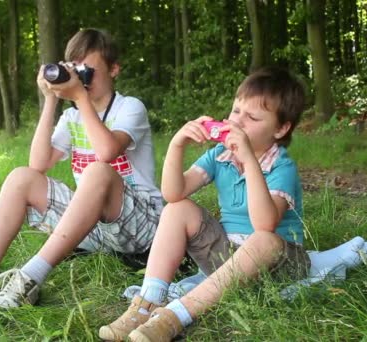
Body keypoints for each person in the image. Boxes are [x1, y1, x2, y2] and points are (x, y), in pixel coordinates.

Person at [0, 28, 162, 310]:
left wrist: (79, 97)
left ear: (114, 69)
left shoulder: (130, 107)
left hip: (144, 225)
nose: (81, 79)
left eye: (87, 71)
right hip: (93, 228)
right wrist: (52, 99)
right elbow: (38, 165)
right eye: (75, 70)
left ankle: (29, 278)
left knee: (98, 171)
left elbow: (106, 152)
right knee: (21, 177)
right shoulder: (71, 116)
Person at [99, 67, 309, 341]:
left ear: (281, 128)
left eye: (253, 117)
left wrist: (248, 160)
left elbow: (264, 224)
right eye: (236, 111)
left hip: (279, 263)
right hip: (227, 257)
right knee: (178, 209)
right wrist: (177, 144)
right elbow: (173, 193)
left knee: (265, 239)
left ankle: (176, 316)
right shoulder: (220, 155)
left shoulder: (282, 166)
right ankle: (147, 302)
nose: (238, 122)